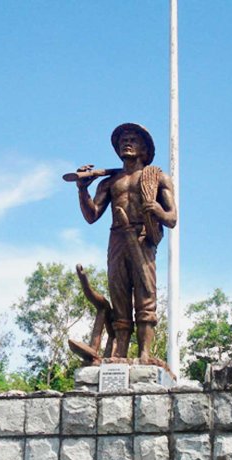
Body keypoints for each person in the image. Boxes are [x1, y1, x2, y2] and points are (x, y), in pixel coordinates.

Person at [75, 123, 177, 361]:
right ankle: (120, 351)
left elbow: (172, 218)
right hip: (118, 237)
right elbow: (92, 215)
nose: (126, 142)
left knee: (145, 293)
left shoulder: (158, 178)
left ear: (144, 148)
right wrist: (82, 190)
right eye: (122, 140)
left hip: (143, 238)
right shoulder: (110, 182)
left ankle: (144, 353)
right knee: (118, 292)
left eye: (132, 139)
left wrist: (158, 211)